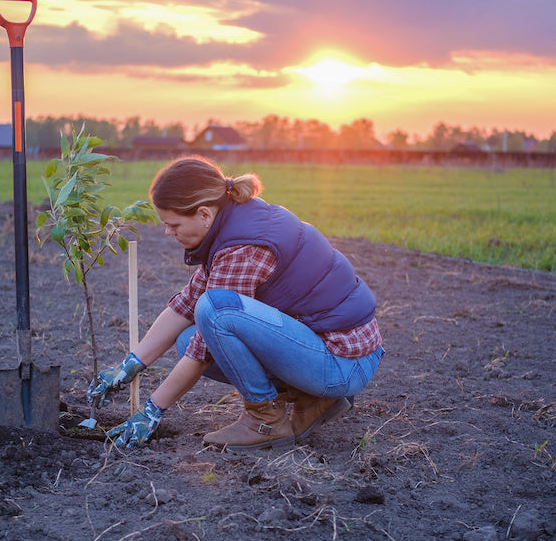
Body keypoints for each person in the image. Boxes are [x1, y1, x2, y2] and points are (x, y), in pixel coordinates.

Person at [88, 155, 383, 451]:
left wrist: (151, 411)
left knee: (214, 312)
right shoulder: (232, 223)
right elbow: (186, 304)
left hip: (343, 364)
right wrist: (128, 367)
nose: (168, 232)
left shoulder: (242, 247)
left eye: (173, 224)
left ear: (204, 214)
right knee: (188, 336)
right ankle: (312, 398)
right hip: (329, 351)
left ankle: (266, 421)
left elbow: (204, 344)